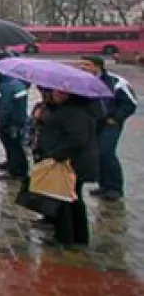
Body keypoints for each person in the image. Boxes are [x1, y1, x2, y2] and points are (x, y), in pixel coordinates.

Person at [33, 87, 99, 248]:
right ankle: (74, 236)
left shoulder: (75, 113)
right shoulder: (65, 110)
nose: (55, 94)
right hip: (71, 162)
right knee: (70, 198)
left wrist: (56, 155)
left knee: (67, 200)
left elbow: (77, 139)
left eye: (60, 92)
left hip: (71, 164)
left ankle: (68, 237)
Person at [78, 56, 136, 202]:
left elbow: (130, 104)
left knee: (107, 152)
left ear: (98, 66)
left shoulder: (116, 82)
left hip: (110, 123)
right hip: (93, 122)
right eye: (82, 64)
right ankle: (104, 185)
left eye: (87, 64)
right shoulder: (82, 80)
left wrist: (116, 118)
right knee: (97, 153)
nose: (83, 67)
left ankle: (114, 187)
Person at [0, 69, 30, 180]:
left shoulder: (8, 86)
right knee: (12, 146)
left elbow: (5, 107)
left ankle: (17, 171)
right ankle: (13, 165)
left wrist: (3, 122)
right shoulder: (12, 84)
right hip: (14, 121)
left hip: (11, 122)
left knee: (14, 146)